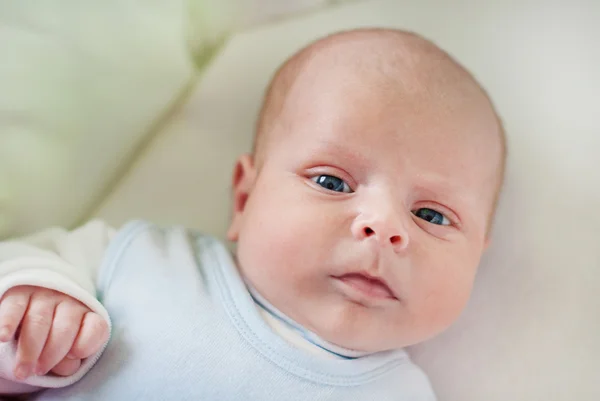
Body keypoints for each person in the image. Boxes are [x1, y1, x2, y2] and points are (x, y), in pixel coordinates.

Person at [0, 28, 506, 400]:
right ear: (245, 198)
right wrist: (32, 314)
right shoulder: (139, 260)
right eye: (332, 182)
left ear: (477, 258)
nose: (384, 227)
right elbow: (17, 276)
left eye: (432, 216)